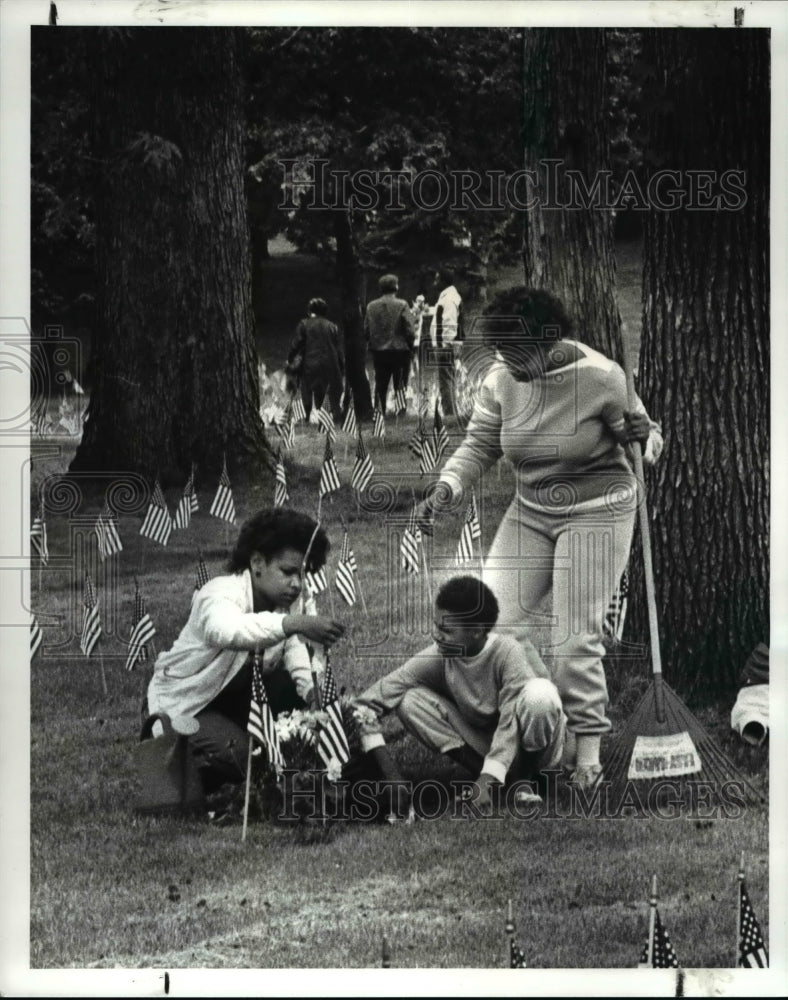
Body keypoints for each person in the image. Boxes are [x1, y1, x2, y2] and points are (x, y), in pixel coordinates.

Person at [416, 287, 664, 790]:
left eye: (515, 351)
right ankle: (531, 730)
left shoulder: (601, 376)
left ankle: (587, 756)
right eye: (501, 353)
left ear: (549, 341)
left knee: (575, 638)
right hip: (530, 510)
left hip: (597, 510)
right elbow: (480, 443)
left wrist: (646, 435)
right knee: (492, 625)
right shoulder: (503, 379)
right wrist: (446, 488)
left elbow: (646, 442)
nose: (507, 363)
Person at [146, 508, 345, 794]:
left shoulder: (287, 602)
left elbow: (294, 649)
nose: (297, 584)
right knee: (246, 761)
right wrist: (293, 623)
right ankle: (189, 764)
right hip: (190, 703)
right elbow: (227, 630)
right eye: (288, 572)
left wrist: (311, 692)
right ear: (257, 563)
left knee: (299, 731)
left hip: (241, 698)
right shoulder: (218, 593)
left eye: (303, 575)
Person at [354, 576, 566, 811]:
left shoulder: (508, 652)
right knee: (408, 701)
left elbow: (510, 723)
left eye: (446, 630)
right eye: (436, 626)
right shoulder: (439, 655)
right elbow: (369, 701)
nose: (437, 635)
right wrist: (391, 775)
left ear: (476, 631)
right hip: (488, 745)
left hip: (530, 745)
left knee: (540, 696)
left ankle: (527, 780)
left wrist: (489, 778)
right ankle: (489, 778)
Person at [364, 273, 416, 414]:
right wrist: (411, 346)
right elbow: (409, 329)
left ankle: (379, 411)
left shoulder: (371, 306)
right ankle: (400, 411)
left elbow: (366, 330)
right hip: (400, 350)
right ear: (396, 287)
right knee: (400, 384)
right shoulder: (402, 304)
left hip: (379, 351)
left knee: (380, 384)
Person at [287, 298, 345, 420]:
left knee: (308, 389)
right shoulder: (332, 326)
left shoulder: (304, 324)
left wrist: (290, 358)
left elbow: (296, 344)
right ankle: (328, 414)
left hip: (310, 362)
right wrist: (341, 366)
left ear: (309, 311)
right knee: (326, 389)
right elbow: (338, 349)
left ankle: (308, 414)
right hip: (330, 363)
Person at [432, 266, 464, 417]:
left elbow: (450, 324)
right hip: (445, 345)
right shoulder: (447, 296)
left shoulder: (450, 298)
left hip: (446, 346)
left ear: (444, 280)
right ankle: (451, 413)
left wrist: (445, 345)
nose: (435, 281)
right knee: (447, 380)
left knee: (446, 382)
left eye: (437, 278)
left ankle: (450, 414)